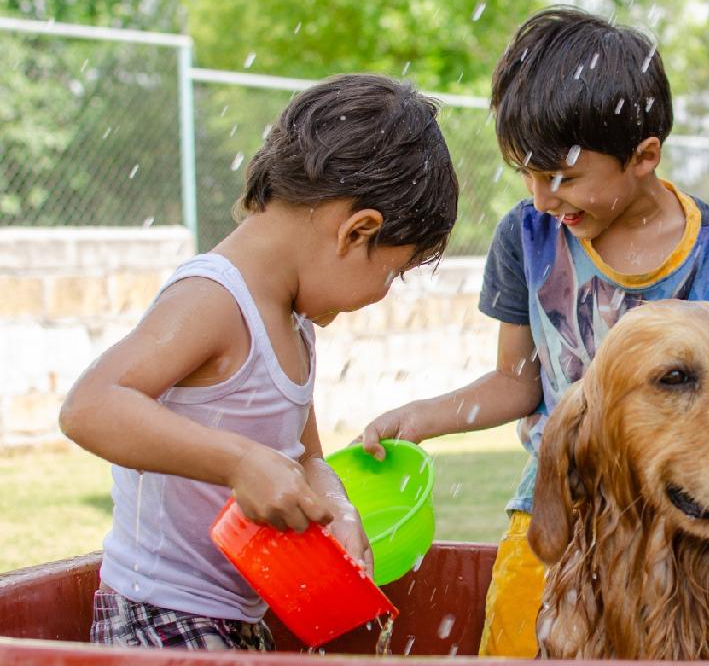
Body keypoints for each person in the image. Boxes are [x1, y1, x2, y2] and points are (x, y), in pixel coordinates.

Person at [359, 6, 709, 657]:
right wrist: (425, 415)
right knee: (519, 642)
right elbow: (518, 384)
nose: (544, 198)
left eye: (565, 177)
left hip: (683, 525)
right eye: (528, 173)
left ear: (643, 156)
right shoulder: (528, 237)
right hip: (552, 512)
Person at [60, 73, 459, 651]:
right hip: (159, 617)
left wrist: (340, 510)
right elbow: (90, 406)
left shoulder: (296, 325)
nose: (384, 292)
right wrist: (240, 462)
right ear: (357, 230)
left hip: (235, 617)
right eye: (394, 272)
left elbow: (310, 458)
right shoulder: (216, 299)